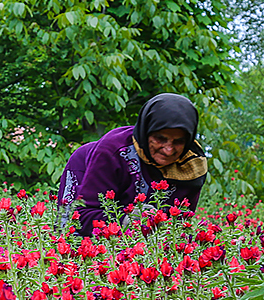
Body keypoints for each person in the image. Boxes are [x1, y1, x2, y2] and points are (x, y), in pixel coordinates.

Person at [57, 93, 208, 236]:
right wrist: (125, 219)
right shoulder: (113, 151)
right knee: (70, 235)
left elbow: (180, 224)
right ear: (146, 132)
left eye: (178, 142)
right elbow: (82, 216)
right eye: (160, 139)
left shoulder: (192, 165)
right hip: (85, 169)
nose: (168, 150)